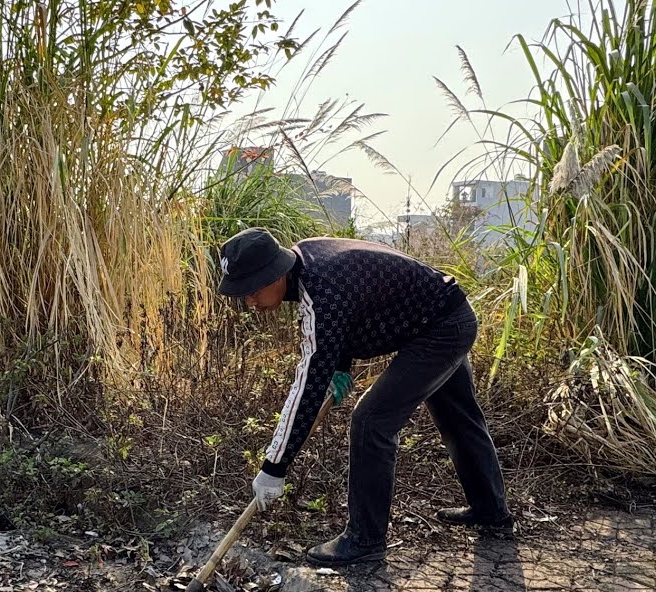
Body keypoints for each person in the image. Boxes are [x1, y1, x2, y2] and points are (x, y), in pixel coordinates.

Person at [217, 227, 511, 567]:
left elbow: (306, 387)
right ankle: (491, 512)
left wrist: (274, 466)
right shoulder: (309, 261)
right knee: (458, 416)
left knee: (372, 421)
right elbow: (350, 310)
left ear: (274, 273)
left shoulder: (320, 290)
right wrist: (340, 366)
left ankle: (365, 539)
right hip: (445, 314)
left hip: (441, 327)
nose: (248, 301)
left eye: (251, 290)